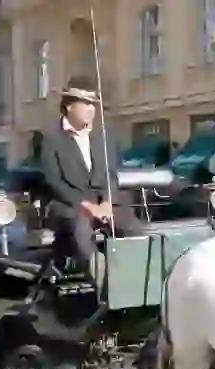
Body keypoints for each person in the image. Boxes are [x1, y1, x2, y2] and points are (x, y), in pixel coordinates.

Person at [37, 76, 142, 270]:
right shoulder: (50, 137)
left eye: (93, 104)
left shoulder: (104, 135)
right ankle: (102, 279)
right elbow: (53, 181)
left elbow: (111, 174)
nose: (91, 109)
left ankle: (138, 277)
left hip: (103, 203)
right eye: (85, 104)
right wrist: (86, 206)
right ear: (69, 106)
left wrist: (106, 202)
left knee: (135, 228)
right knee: (82, 229)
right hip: (69, 205)